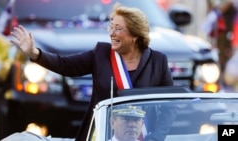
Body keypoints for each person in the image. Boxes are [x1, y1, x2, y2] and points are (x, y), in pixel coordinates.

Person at [10, 2, 173, 141]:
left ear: (135, 36)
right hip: (100, 136)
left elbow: (170, 107)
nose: (111, 33)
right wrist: (35, 53)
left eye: (118, 29)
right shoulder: (100, 53)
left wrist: (155, 138)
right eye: (111, 27)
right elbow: (65, 65)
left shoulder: (158, 61)